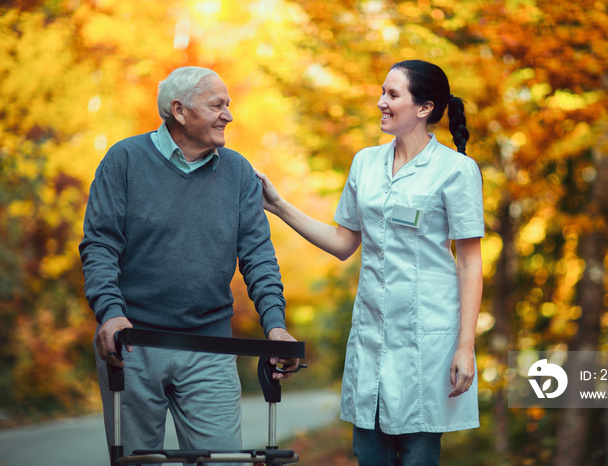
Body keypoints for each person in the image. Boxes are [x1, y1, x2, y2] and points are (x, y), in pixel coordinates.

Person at [256, 60, 483, 465]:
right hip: (372, 338)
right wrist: (277, 206)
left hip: (427, 340)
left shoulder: (456, 171)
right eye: (382, 92)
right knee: (369, 453)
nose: (381, 102)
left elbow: (469, 263)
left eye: (393, 95)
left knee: (418, 452)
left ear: (424, 108)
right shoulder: (365, 163)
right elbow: (344, 242)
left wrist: (465, 347)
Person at [79, 66, 299, 463]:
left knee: (222, 459)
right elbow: (100, 245)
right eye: (217, 105)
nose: (228, 115)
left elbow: (258, 255)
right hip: (134, 343)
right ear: (179, 111)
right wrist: (110, 314)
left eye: (228, 105)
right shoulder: (125, 160)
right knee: (136, 461)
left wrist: (275, 325)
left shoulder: (238, 172)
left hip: (209, 343)